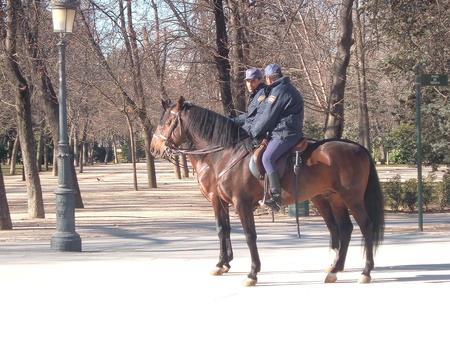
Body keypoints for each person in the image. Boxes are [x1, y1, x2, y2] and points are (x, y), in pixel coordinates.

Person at [248, 64, 304, 211]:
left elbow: (268, 117)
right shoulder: (284, 88)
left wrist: (253, 133)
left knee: (267, 158)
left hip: (285, 133)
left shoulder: (278, 91)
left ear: (268, 78)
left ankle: (276, 197)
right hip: (284, 131)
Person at [231, 68, 267, 135]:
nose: (249, 84)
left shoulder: (264, 94)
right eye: (248, 81)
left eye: (253, 81)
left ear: (260, 80)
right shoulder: (255, 94)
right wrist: (233, 121)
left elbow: (258, 118)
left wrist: (245, 132)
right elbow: (249, 115)